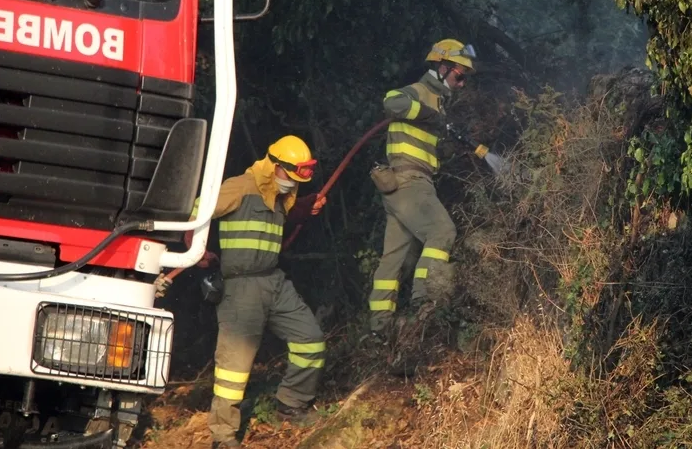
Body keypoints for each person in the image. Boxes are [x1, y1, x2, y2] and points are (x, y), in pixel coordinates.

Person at [178, 135, 328, 449]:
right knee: (234, 367)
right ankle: (223, 436)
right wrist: (195, 248)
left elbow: (288, 214)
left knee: (310, 340)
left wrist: (307, 205)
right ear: (275, 165)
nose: (293, 184)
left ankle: (291, 403)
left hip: (275, 282)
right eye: (291, 176)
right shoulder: (240, 187)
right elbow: (197, 210)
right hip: (241, 286)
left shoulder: (280, 193)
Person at [365, 38, 477, 345]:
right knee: (442, 231)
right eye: (459, 75)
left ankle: (379, 328)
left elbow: (423, 143)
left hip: (404, 185)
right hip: (409, 182)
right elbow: (392, 102)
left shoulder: (438, 103)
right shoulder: (421, 92)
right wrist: (428, 114)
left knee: (395, 258)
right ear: (442, 67)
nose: (462, 83)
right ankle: (424, 303)